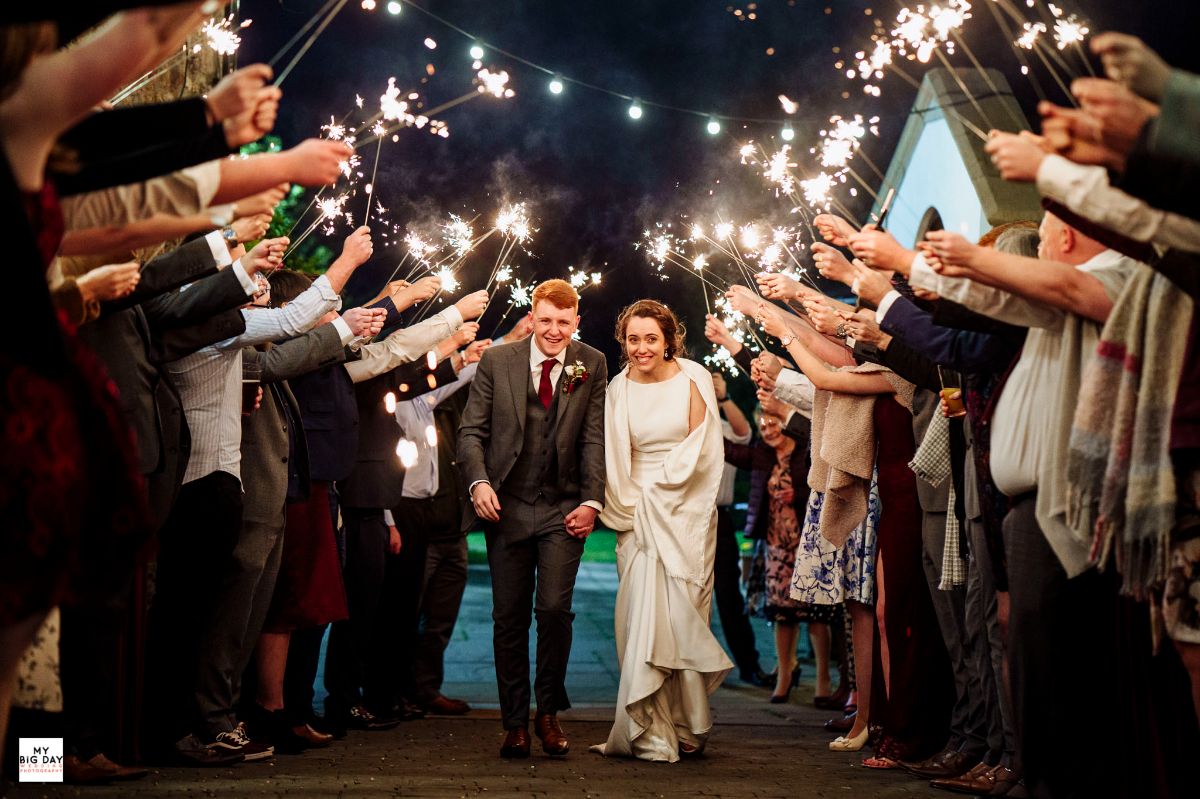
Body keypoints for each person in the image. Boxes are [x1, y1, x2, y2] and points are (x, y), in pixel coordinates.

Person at [456, 278, 607, 759]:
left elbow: (594, 438)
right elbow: (470, 432)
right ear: (533, 316)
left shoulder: (592, 363)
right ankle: (515, 722)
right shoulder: (499, 361)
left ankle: (549, 713)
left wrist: (592, 500)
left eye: (564, 322)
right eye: (546, 320)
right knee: (508, 618)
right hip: (508, 506)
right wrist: (479, 483)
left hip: (562, 509)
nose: (554, 331)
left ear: (576, 322)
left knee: (555, 611)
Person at [591, 300, 732, 762]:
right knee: (639, 621)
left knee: (684, 615)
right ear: (622, 341)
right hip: (637, 515)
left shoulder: (693, 378)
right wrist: (636, 505)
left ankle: (689, 725)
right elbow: (616, 456)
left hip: (686, 513)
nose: (642, 347)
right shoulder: (617, 389)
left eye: (651, 338)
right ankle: (647, 727)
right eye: (633, 339)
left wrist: (664, 499)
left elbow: (704, 449)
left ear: (670, 340)